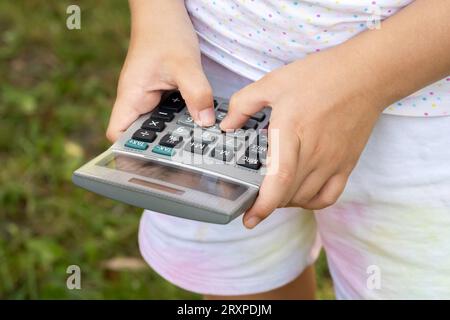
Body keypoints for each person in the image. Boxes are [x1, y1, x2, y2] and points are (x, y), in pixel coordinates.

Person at [106, 0, 450, 299]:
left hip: (424, 103)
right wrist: (157, 18)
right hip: (210, 64)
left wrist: (366, 79)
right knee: (244, 283)